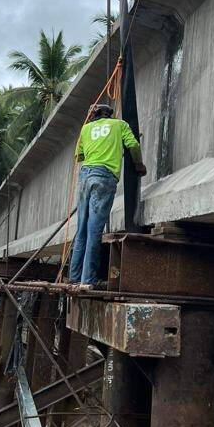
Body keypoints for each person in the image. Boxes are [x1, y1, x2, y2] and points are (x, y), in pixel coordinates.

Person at [68, 103, 147, 289]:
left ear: (94, 114)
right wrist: (139, 165)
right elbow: (133, 145)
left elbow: (79, 156)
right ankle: (87, 281)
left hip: (84, 177)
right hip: (103, 177)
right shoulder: (120, 125)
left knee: (81, 231)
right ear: (110, 114)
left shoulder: (86, 129)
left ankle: (74, 277)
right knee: (94, 231)